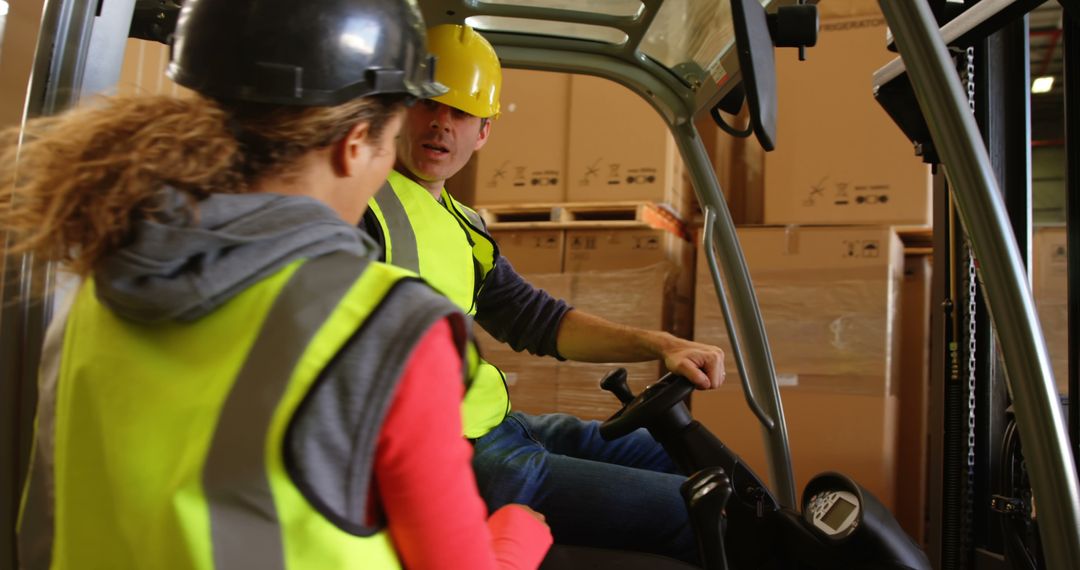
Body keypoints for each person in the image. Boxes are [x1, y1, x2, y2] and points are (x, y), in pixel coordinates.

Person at [9, 1, 552, 568]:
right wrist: (515, 535)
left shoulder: (100, 284)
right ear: (356, 142)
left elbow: (51, 524)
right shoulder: (386, 327)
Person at [361, 24, 726, 565]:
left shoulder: (462, 223)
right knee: (696, 514)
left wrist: (660, 344)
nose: (441, 123)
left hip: (500, 426)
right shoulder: (362, 208)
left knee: (689, 460)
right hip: (452, 457)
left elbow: (536, 319)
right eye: (427, 104)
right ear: (398, 109)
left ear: (483, 132)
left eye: (461, 114)